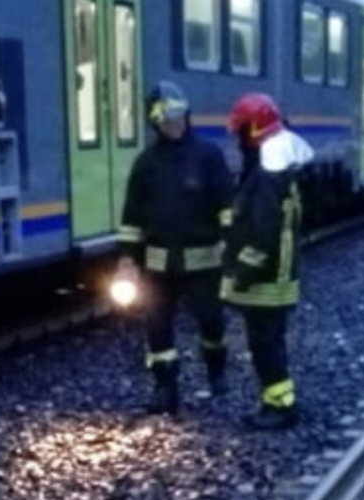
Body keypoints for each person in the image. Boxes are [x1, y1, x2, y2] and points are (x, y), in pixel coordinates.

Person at [117, 80, 234, 415]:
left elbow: (226, 204)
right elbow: (131, 216)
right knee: (157, 327)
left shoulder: (208, 156)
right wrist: (127, 259)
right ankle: (165, 387)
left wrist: (230, 240)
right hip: (157, 264)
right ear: (155, 121)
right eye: (168, 118)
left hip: (203, 262)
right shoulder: (145, 164)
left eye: (179, 115)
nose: (175, 123)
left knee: (211, 322)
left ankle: (216, 371)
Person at [221, 93, 313, 430]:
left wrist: (240, 273)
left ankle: (281, 407)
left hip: (266, 279)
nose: (238, 138)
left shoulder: (264, 178)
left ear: (254, 130)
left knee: (265, 343)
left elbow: (261, 233)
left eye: (242, 130)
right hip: (277, 274)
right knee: (268, 340)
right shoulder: (277, 172)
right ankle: (275, 401)